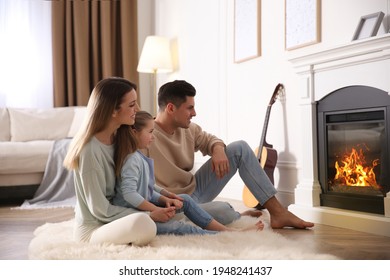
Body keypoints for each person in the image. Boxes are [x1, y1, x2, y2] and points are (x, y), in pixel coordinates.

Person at [147, 80, 315, 229]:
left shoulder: (190, 129)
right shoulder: (145, 135)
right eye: (189, 108)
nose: (195, 113)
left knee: (239, 148)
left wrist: (218, 149)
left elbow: (211, 140)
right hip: (174, 202)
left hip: (195, 189)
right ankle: (236, 216)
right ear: (170, 108)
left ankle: (278, 212)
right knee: (223, 210)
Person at [113, 111, 264, 235]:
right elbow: (130, 194)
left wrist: (167, 197)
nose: (153, 136)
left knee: (185, 199)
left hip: (150, 208)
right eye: (150, 132)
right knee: (179, 227)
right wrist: (156, 209)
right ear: (134, 133)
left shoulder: (139, 156)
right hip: (137, 216)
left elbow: (147, 189)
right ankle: (221, 234)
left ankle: (227, 230)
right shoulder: (131, 160)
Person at [63, 77, 160, 246]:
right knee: (145, 224)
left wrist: (161, 199)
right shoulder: (89, 150)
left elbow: (133, 180)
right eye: (131, 105)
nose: (137, 109)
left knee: (181, 211)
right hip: (94, 229)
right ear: (113, 110)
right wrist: (149, 214)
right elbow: (99, 209)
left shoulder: (120, 137)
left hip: (116, 219)